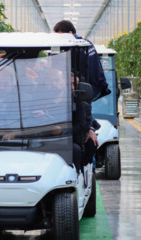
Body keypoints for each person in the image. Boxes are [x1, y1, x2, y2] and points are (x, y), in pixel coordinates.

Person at [54, 20, 102, 166]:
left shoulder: (82, 49)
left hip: (71, 132)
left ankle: (84, 169)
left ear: (70, 34)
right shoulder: (47, 98)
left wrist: (89, 127)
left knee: (86, 144)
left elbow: (94, 82)